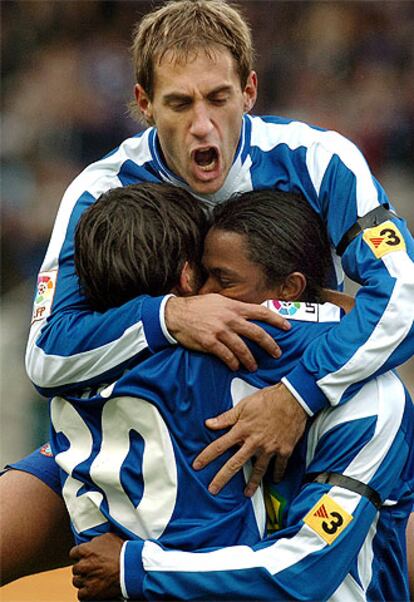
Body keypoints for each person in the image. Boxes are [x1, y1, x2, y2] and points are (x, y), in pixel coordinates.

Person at [2, 0, 414, 583]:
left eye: (217, 98)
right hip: (134, 436)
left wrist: (296, 397)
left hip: (288, 428)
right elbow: (46, 353)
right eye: (179, 103)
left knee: (380, 546)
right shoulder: (99, 190)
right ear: (144, 104)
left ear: (248, 90)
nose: (202, 124)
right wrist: (170, 315)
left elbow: (403, 293)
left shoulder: (319, 162)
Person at [60, 185, 411, 601]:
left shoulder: (372, 404)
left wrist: (134, 568)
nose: (201, 300)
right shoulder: (202, 359)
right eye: (202, 276)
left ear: (288, 292)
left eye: (223, 281)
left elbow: (306, 568)